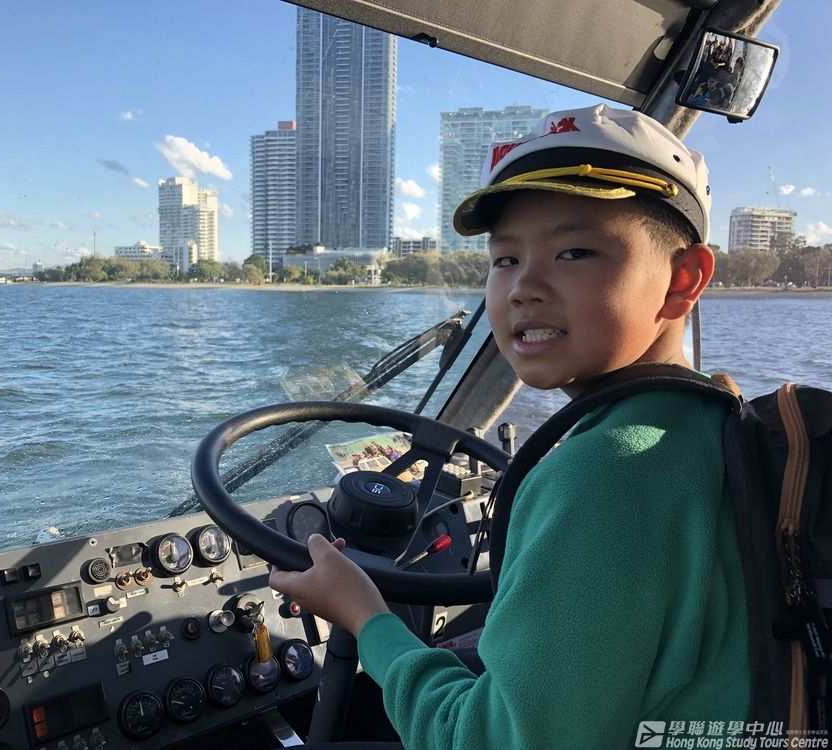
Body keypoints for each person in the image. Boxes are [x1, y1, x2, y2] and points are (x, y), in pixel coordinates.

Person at [270, 104, 748, 749]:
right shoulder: (711, 421)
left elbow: (488, 740)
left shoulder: (603, 475)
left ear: (682, 279)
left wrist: (365, 616)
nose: (525, 287)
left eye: (575, 252)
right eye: (504, 259)